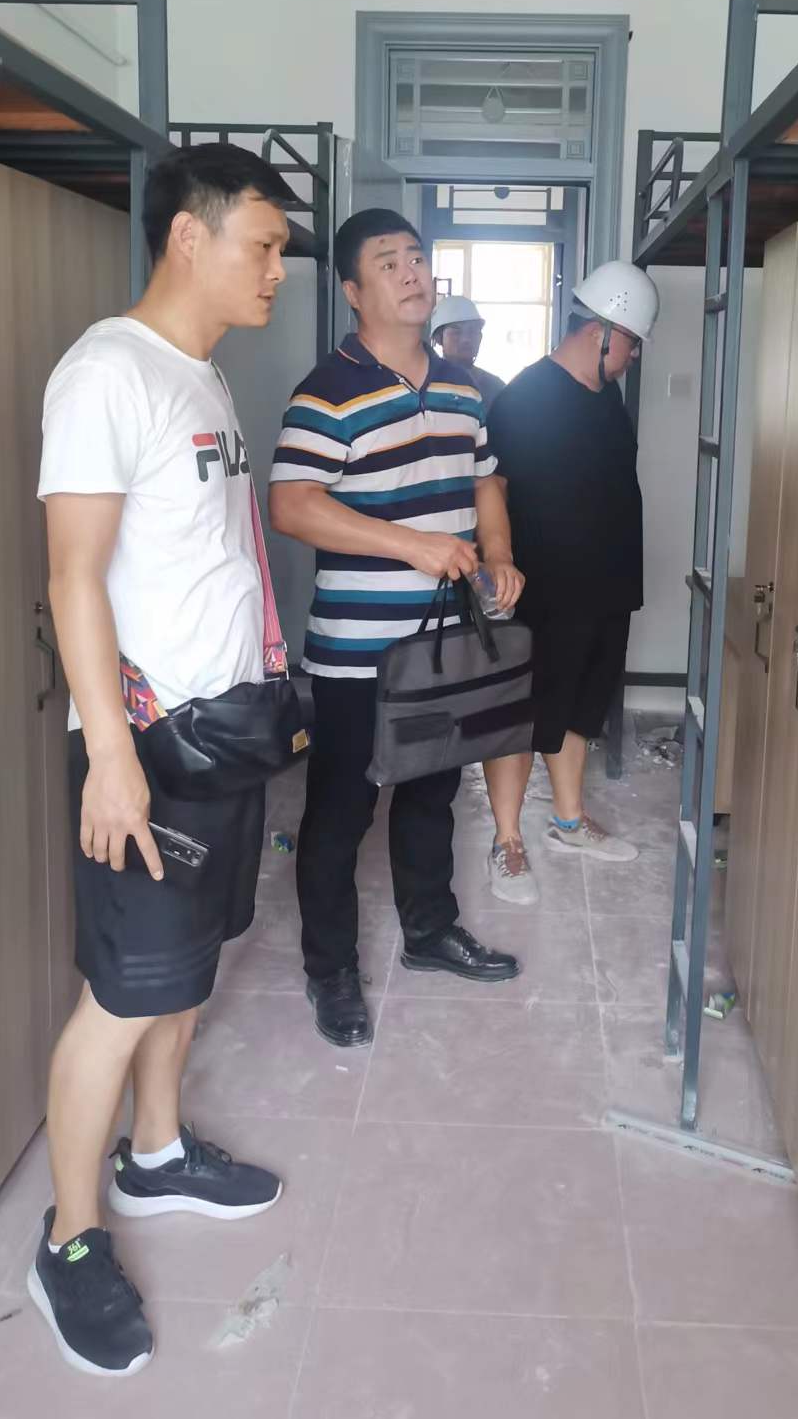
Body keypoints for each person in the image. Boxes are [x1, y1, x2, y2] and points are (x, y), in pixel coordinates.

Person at [32, 144, 295, 1378]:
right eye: (264, 244)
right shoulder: (107, 372)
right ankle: (70, 1238)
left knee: (187, 968)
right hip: (141, 745)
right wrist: (108, 756)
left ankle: (156, 1152)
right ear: (190, 236)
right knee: (124, 990)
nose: (277, 269)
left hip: (218, 734)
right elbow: (72, 576)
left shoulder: (202, 373)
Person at [269, 208, 524, 1047]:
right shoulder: (327, 390)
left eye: (418, 258)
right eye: (389, 263)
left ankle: (429, 931)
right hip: (356, 652)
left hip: (443, 642)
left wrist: (498, 554)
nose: (413, 273)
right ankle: (330, 971)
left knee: (432, 794)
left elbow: (486, 479)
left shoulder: (461, 387)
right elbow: (292, 505)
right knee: (341, 812)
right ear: (354, 290)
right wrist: (412, 544)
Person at [481, 261, 661, 904]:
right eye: (631, 343)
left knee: (582, 708)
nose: (633, 357)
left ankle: (567, 820)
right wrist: (500, 559)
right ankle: (507, 842)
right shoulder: (527, 396)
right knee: (521, 716)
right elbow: (492, 484)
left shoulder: (606, 397)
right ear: (601, 331)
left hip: (606, 586)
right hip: (544, 591)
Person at [430, 293, 505, 413]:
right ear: (439, 338)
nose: (466, 339)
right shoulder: (426, 386)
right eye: (456, 332)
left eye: (472, 331)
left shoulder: (495, 387)